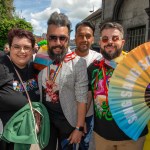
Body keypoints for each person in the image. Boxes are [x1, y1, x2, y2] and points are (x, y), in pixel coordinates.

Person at [87, 22, 148, 150]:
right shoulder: (93, 68)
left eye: (115, 38)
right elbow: (88, 98)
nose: (110, 42)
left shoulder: (138, 66)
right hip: (102, 137)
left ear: (123, 42)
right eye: (105, 39)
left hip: (132, 137)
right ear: (100, 42)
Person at [38, 12, 88, 150]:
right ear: (47, 38)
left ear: (68, 39)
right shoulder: (40, 59)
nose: (58, 43)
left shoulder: (78, 63)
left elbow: (82, 98)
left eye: (63, 38)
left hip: (68, 121)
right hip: (46, 121)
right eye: (53, 38)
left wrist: (79, 127)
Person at [0, 28, 40, 150]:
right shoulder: (2, 67)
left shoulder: (35, 67)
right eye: (16, 47)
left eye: (26, 47)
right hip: (5, 138)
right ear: (10, 48)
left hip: (25, 139)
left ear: (33, 49)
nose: (22, 51)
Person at [74, 21, 102, 150]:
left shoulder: (100, 60)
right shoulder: (66, 58)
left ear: (93, 38)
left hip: (89, 114)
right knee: (67, 145)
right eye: (80, 35)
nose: (84, 39)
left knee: (84, 144)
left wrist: (84, 118)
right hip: (68, 113)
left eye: (88, 36)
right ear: (75, 37)